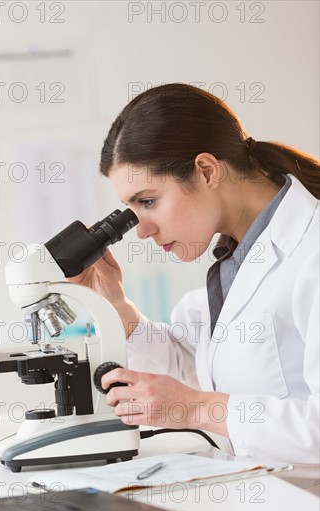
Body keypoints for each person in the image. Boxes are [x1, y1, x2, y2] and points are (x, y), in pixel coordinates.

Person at [71, 83, 320, 463]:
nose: (142, 229)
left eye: (149, 201)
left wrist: (198, 410)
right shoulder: (235, 257)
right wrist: (117, 309)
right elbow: (206, 375)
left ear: (206, 170)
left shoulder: (311, 250)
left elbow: (202, 401)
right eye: (132, 209)